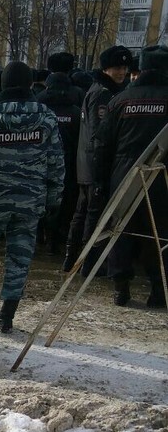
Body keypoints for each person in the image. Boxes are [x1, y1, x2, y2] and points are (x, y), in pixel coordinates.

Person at [0, 62, 65, 333]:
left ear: (2, 83)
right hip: (30, 199)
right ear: (32, 84)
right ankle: (6, 315)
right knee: (20, 257)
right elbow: (56, 160)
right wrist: (54, 198)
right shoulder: (46, 116)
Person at [93, 44, 168, 308]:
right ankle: (159, 290)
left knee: (122, 229)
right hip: (162, 177)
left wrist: (100, 182)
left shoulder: (121, 100)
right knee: (159, 233)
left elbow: (102, 145)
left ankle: (121, 288)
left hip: (123, 175)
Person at [64, 45, 132, 272]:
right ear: (106, 69)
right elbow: (98, 133)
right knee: (91, 214)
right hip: (94, 164)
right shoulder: (103, 93)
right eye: (116, 68)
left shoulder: (101, 89)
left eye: (124, 67)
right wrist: (102, 167)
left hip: (87, 164)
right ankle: (87, 262)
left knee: (82, 212)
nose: (121, 72)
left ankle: (73, 258)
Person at [36, 52, 82, 254]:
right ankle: (59, 241)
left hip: (40, 161)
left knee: (41, 198)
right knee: (66, 201)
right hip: (70, 162)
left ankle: (40, 236)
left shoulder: (38, 101)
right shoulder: (78, 100)